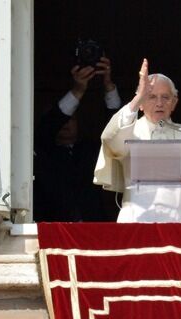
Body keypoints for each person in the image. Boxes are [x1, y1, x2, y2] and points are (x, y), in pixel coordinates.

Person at [93, 58, 181, 223]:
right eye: (151, 97)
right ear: (140, 103)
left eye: (165, 97)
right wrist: (138, 97)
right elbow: (109, 139)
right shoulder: (129, 132)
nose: (159, 103)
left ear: (174, 103)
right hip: (139, 222)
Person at [33, 56, 121, 222]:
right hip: (54, 230)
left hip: (94, 228)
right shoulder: (43, 152)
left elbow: (117, 130)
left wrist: (108, 85)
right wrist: (78, 90)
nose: (66, 123)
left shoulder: (92, 150)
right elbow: (49, 125)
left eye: (71, 119)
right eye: (63, 119)